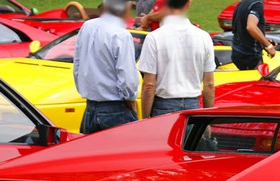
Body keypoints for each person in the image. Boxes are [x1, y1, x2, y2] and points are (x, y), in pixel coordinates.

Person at [138, 0, 215, 119]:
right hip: (192, 105)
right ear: (188, 4)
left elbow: (149, 85)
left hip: (163, 105)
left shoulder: (154, 38)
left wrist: (145, 117)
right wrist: (207, 120)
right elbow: (209, 84)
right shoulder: (204, 37)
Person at [73, 0, 138, 134]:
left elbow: (77, 65)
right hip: (115, 109)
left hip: (91, 107)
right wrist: (130, 100)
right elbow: (127, 76)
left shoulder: (87, 27)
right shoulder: (121, 34)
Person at [231, 0, 276, 71]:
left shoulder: (241, 3)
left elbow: (240, 30)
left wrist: (263, 41)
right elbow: (251, 27)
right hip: (250, 56)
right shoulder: (257, 5)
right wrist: (269, 46)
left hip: (237, 53)